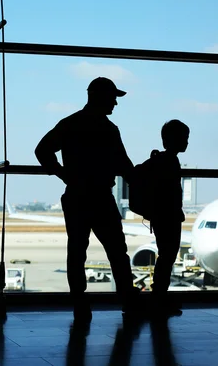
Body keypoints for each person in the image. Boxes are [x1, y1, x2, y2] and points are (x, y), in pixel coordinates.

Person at [35, 77, 139, 322]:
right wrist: (142, 182)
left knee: (77, 251)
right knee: (117, 252)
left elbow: (42, 150)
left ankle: (80, 303)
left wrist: (62, 174)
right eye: (113, 97)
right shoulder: (109, 129)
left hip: (78, 196)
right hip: (101, 197)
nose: (115, 103)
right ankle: (129, 300)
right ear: (101, 97)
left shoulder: (71, 124)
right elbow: (124, 165)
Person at [148, 119, 190, 316]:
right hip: (168, 217)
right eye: (185, 138)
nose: (187, 142)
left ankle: (158, 298)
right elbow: (170, 192)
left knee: (165, 256)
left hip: (161, 216)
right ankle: (158, 299)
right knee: (167, 257)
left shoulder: (161, 160)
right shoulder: (170, 161)